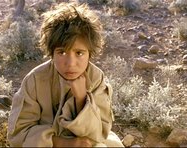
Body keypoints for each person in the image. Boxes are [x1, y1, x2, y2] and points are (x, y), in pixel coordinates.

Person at [7, 2, 124, 147]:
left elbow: (99, 133)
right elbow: (18, 135)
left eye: (79, 53)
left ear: (90, 54)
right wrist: (63, 142)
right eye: (61, 52)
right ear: (51, 53)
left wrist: (82, 99)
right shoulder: (35, 80)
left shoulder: (96, 78)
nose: (70, 63)